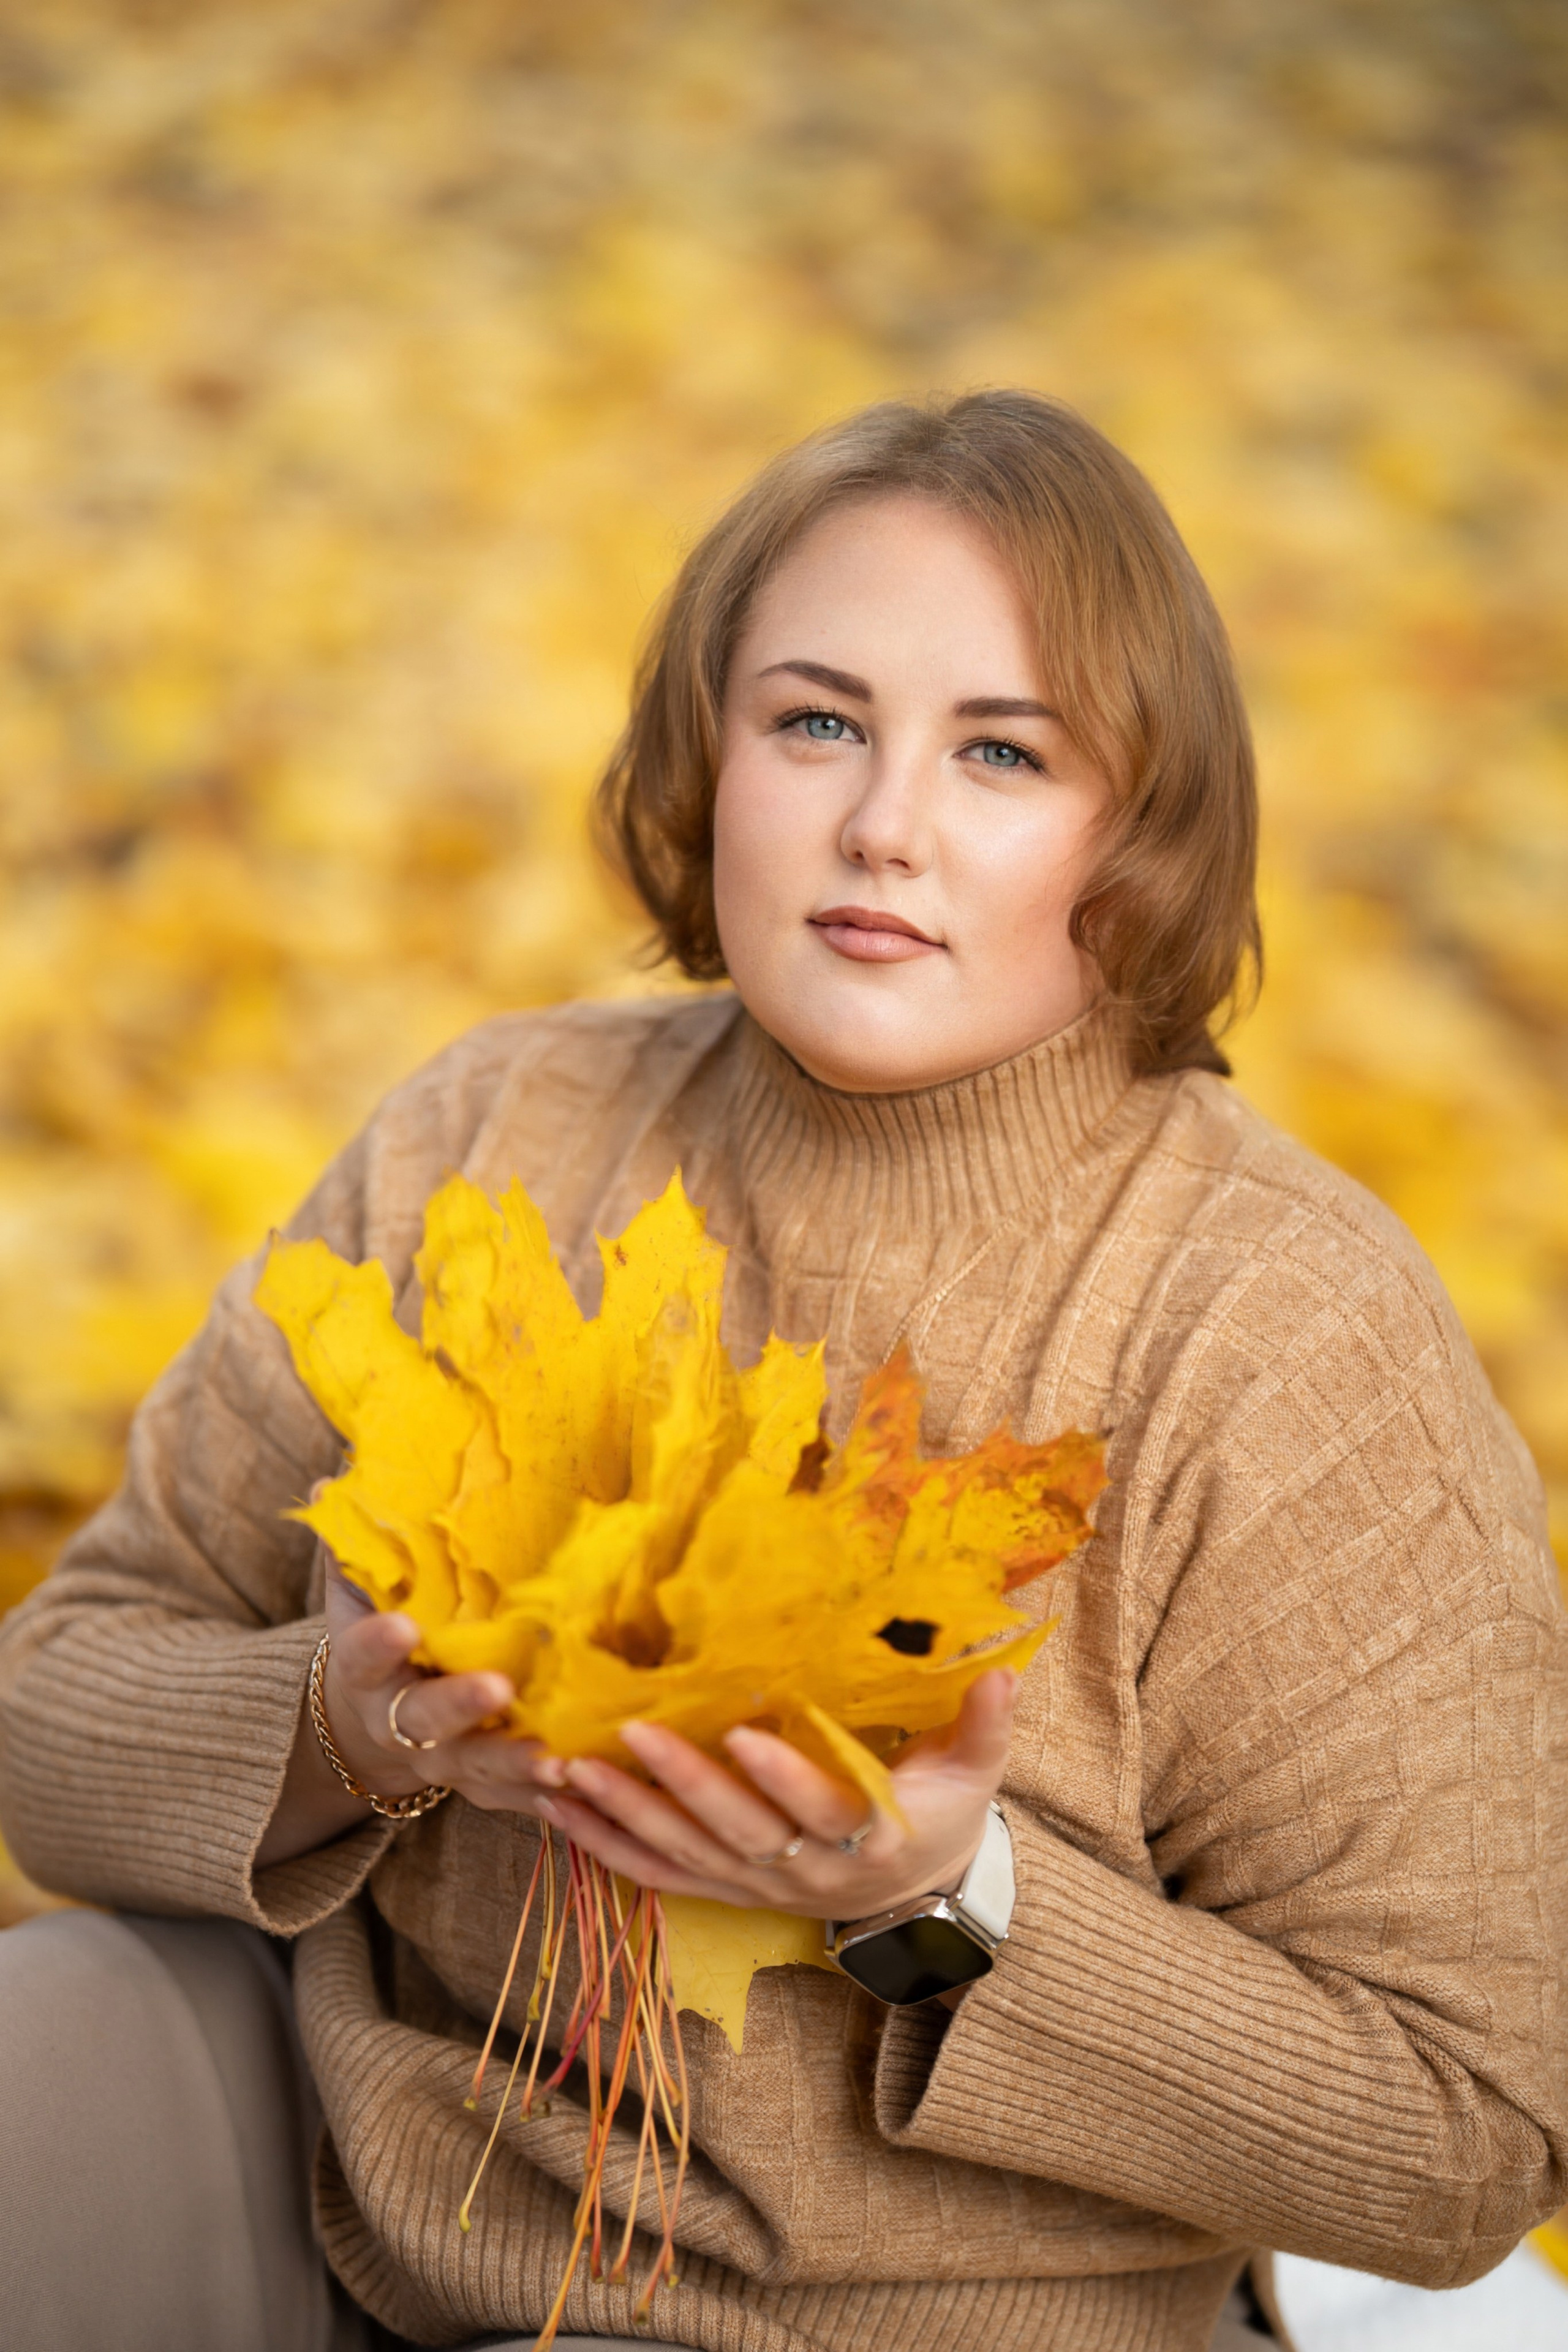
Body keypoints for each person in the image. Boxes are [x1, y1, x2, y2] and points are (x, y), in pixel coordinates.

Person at [1, 390, 1563, 2352]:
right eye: (815, 721)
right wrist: (356, 1729)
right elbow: (53, 1714)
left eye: (1003, 753)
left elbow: (1469, 2135)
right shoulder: (490, 1141)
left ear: (1144, 834)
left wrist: (940, 1899)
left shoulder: (1278, 1332)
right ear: (708, 756)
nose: (882, 823)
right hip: (367, 2207)